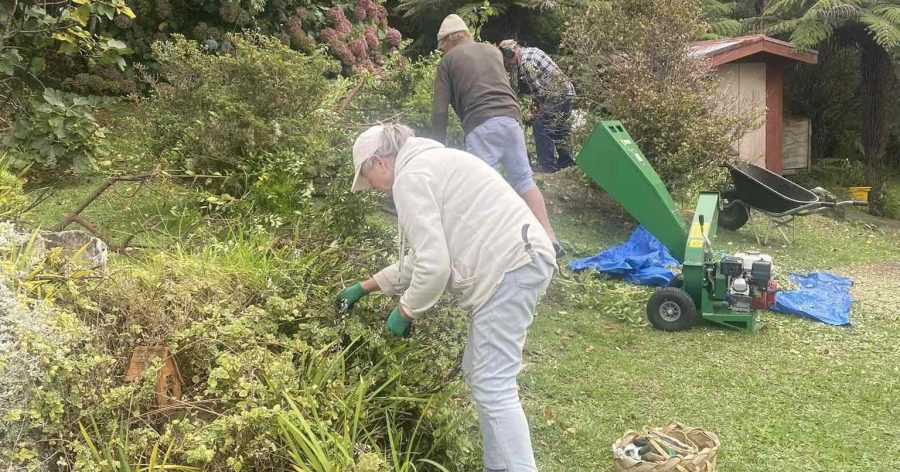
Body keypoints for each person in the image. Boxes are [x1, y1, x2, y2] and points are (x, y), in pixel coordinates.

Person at [336, 123, 557, 472]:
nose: (374, 190)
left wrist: (405, 312)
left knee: (492, 382)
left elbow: (434, 267)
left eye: (369, 180)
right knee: (480, 372)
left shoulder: (411, 178)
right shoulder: (430, 164)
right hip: (519, 260)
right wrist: (365, 286)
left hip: (509, 266)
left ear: (379, 162)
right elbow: (423, 257)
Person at [431, 14, 564, 257]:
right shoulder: (493, 52)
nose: (443, 51)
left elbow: (439, 111)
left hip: (481, 123)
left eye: (443, 46)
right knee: (524, 180)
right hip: (511, 119)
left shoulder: (448, 61)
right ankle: (549, 237)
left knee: (481, 187)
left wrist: (436, 150)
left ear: (449, 41)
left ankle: (492, 247)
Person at [498, 39, 576, 174]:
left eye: (507, 60)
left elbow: (540, 93)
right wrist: (538, 107)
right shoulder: (532, 51)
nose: (508, 64)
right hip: (568, 92)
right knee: (559, 127)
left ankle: (547, 167)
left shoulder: (525, 64)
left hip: (557, 95)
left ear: (510, 54)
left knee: (541, 127)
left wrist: (537, 112)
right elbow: (541, 87)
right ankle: (566, 160)